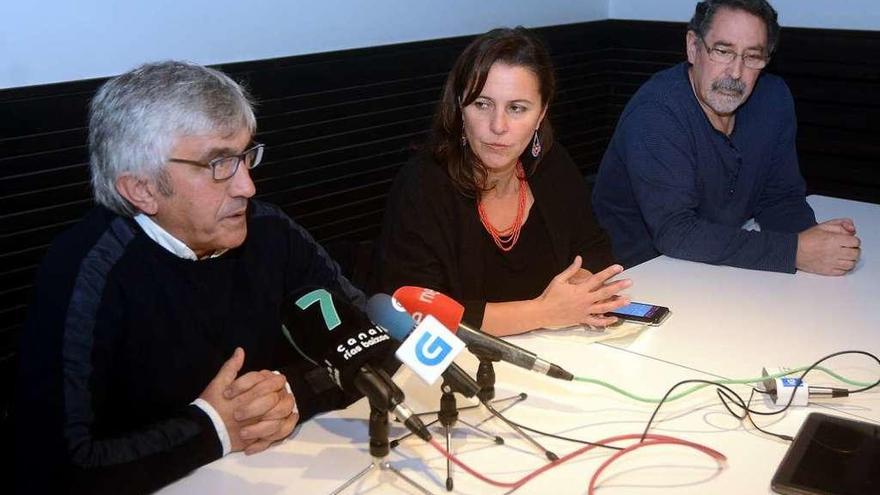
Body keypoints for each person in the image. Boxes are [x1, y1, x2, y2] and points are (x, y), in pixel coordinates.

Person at [14, 61, 379, 494]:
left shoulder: (270, 232)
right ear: (142, 189)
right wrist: (212, 428)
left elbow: (371, 343)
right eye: (219, 163)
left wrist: (294, 392)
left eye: (245, 156)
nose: (247, 186)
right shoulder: (84, 274)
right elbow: (55, 467)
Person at [372, 27, 632, 336]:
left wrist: (578, 290)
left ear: (540, 115)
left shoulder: (551, 165)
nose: (498, 126)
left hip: (560, 345)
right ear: (459, 109)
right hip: (459, 364)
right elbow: (417, 309)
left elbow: (593, 247)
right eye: (482, 104)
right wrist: (544, 312)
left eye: (517, 108)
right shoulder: (422, 185)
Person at [592, 0, 860, 275]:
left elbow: (779, 198)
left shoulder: (773, 98)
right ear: (693, 48)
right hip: (637, 276)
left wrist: (816, 241)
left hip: (716, 266)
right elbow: (676, 233)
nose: (735, 73)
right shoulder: (656, 112)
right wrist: (794, 251)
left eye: (752, 57)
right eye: (723, 51)